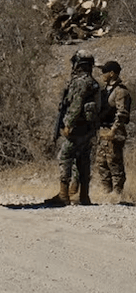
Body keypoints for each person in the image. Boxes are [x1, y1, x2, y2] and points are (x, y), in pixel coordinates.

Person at [44, 49, 101, 206]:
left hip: (77, 128)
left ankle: (64, 195)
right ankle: (83, 196)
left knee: (64, 157)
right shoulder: (93, 82)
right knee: (83, 161)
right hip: (88, 129)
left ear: (79, 64)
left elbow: (76, 105)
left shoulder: (80, 82)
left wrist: (68, 124)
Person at [95, 60, 131, 201]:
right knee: (101, 162)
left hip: (114, 132)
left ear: (112, 73)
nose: (102, 75)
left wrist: (114, 130)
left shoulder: (120, 91)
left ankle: (117, 193)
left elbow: (122, 113)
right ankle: (106, 191)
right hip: (103, 131)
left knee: (114, 162)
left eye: (105, 72)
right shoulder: (105, 91)